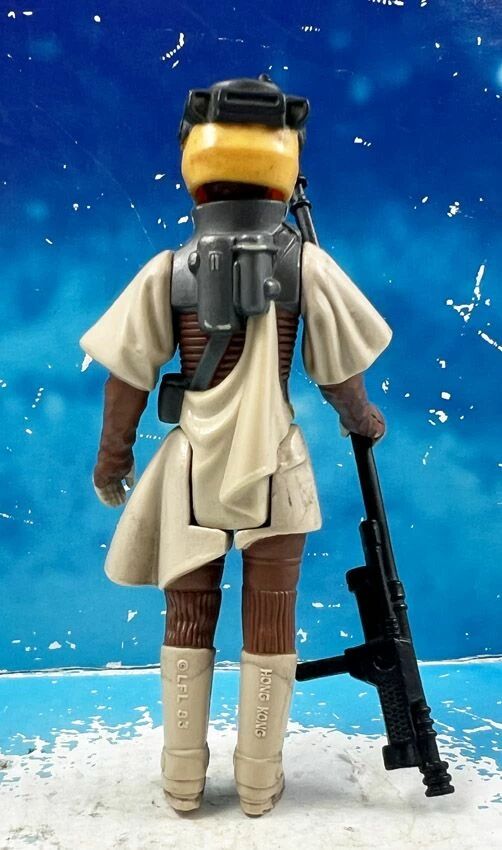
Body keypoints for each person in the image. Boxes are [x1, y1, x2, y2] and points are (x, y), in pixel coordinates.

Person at [80, 75, 392, 817]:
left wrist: (114, 457)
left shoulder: (167, 271)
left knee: (187, 616)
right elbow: (338, 372)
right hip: (274, 465)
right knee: (271, 614)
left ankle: (182, 779)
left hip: (190, 469)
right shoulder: (305, 265)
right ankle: (257, 780)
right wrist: (361, 417)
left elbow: (127, 376)